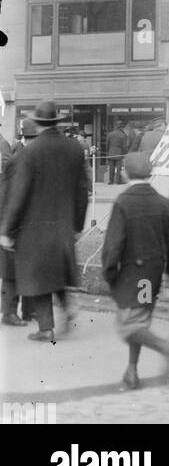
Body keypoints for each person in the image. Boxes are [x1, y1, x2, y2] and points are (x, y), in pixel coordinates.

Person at [0, 101, 88, 342]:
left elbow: (18, 193)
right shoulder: (74, 149)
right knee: (56, 270)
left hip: (34, 224)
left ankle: (46, 327)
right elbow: (82, 190)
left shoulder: (29, 152)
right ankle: (67, 307)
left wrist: (6, 229)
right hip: (63, 223)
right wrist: (78, 225)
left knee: (36, 274)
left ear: (37, 123)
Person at [102, 153, 169, 389]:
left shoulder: (123, 202)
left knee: (129, 326)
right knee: (140, 321)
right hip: (151, 274)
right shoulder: (163, 203)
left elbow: (113, 244)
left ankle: (165, 348)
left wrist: (109, 272)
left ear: (125, 172)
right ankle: (131, 372)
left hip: (130, 275)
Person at [0, 118, 38, 325]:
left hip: (24, 220)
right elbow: (11, 195)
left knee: (27, 268)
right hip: (15, 221)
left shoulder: (27, 156)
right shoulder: (20, 158)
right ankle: (9, 312)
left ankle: (28, 311)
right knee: (13, 270)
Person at [106, 120, 127, 185]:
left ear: (115, 126)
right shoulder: (122, 135)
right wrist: (124, 153)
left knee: (111, 168)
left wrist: (108, 151)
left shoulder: (110, 134)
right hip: (119, 153)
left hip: (111, 152)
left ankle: (110, 181)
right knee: (118, 168)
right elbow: (124, 146)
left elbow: (107, 144)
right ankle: (118, 181)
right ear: (121, 127)